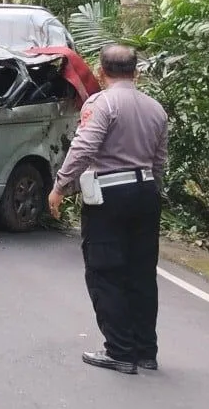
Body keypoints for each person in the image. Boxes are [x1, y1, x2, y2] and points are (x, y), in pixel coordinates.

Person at [48, 44, 167, 375]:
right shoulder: (156, 109)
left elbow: (85, 146)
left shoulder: (101, 103)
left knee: (106, 271)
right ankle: (145, 350)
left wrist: (60, 186)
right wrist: (150, 190)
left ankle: (118, 350)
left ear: (101, 73)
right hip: (146, 192)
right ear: (136, 73)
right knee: (142, 274)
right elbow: (159, 160)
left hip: (110, 195)